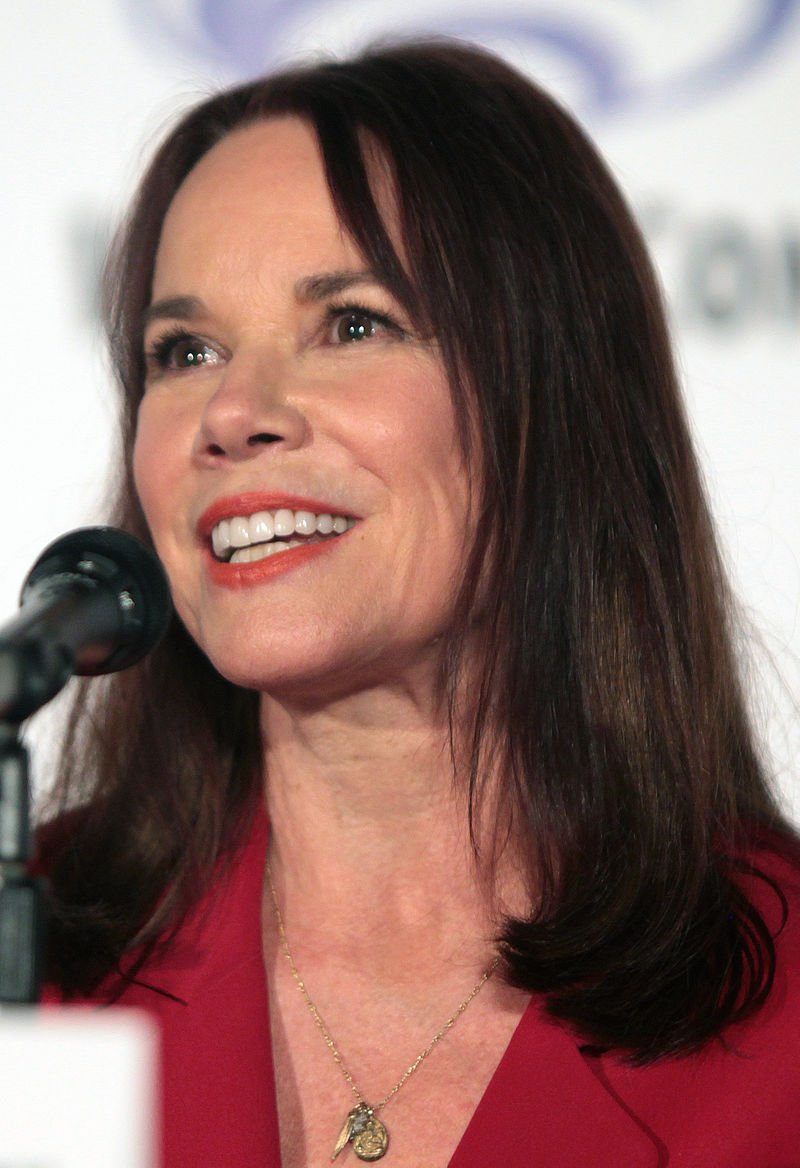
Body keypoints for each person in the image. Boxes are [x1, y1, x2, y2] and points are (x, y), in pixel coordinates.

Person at [40, 39, 800, 1167]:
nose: (233, 412)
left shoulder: (781, 1023)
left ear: (549, 398)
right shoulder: (38, 957)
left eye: (351, 324)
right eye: (185, 349)